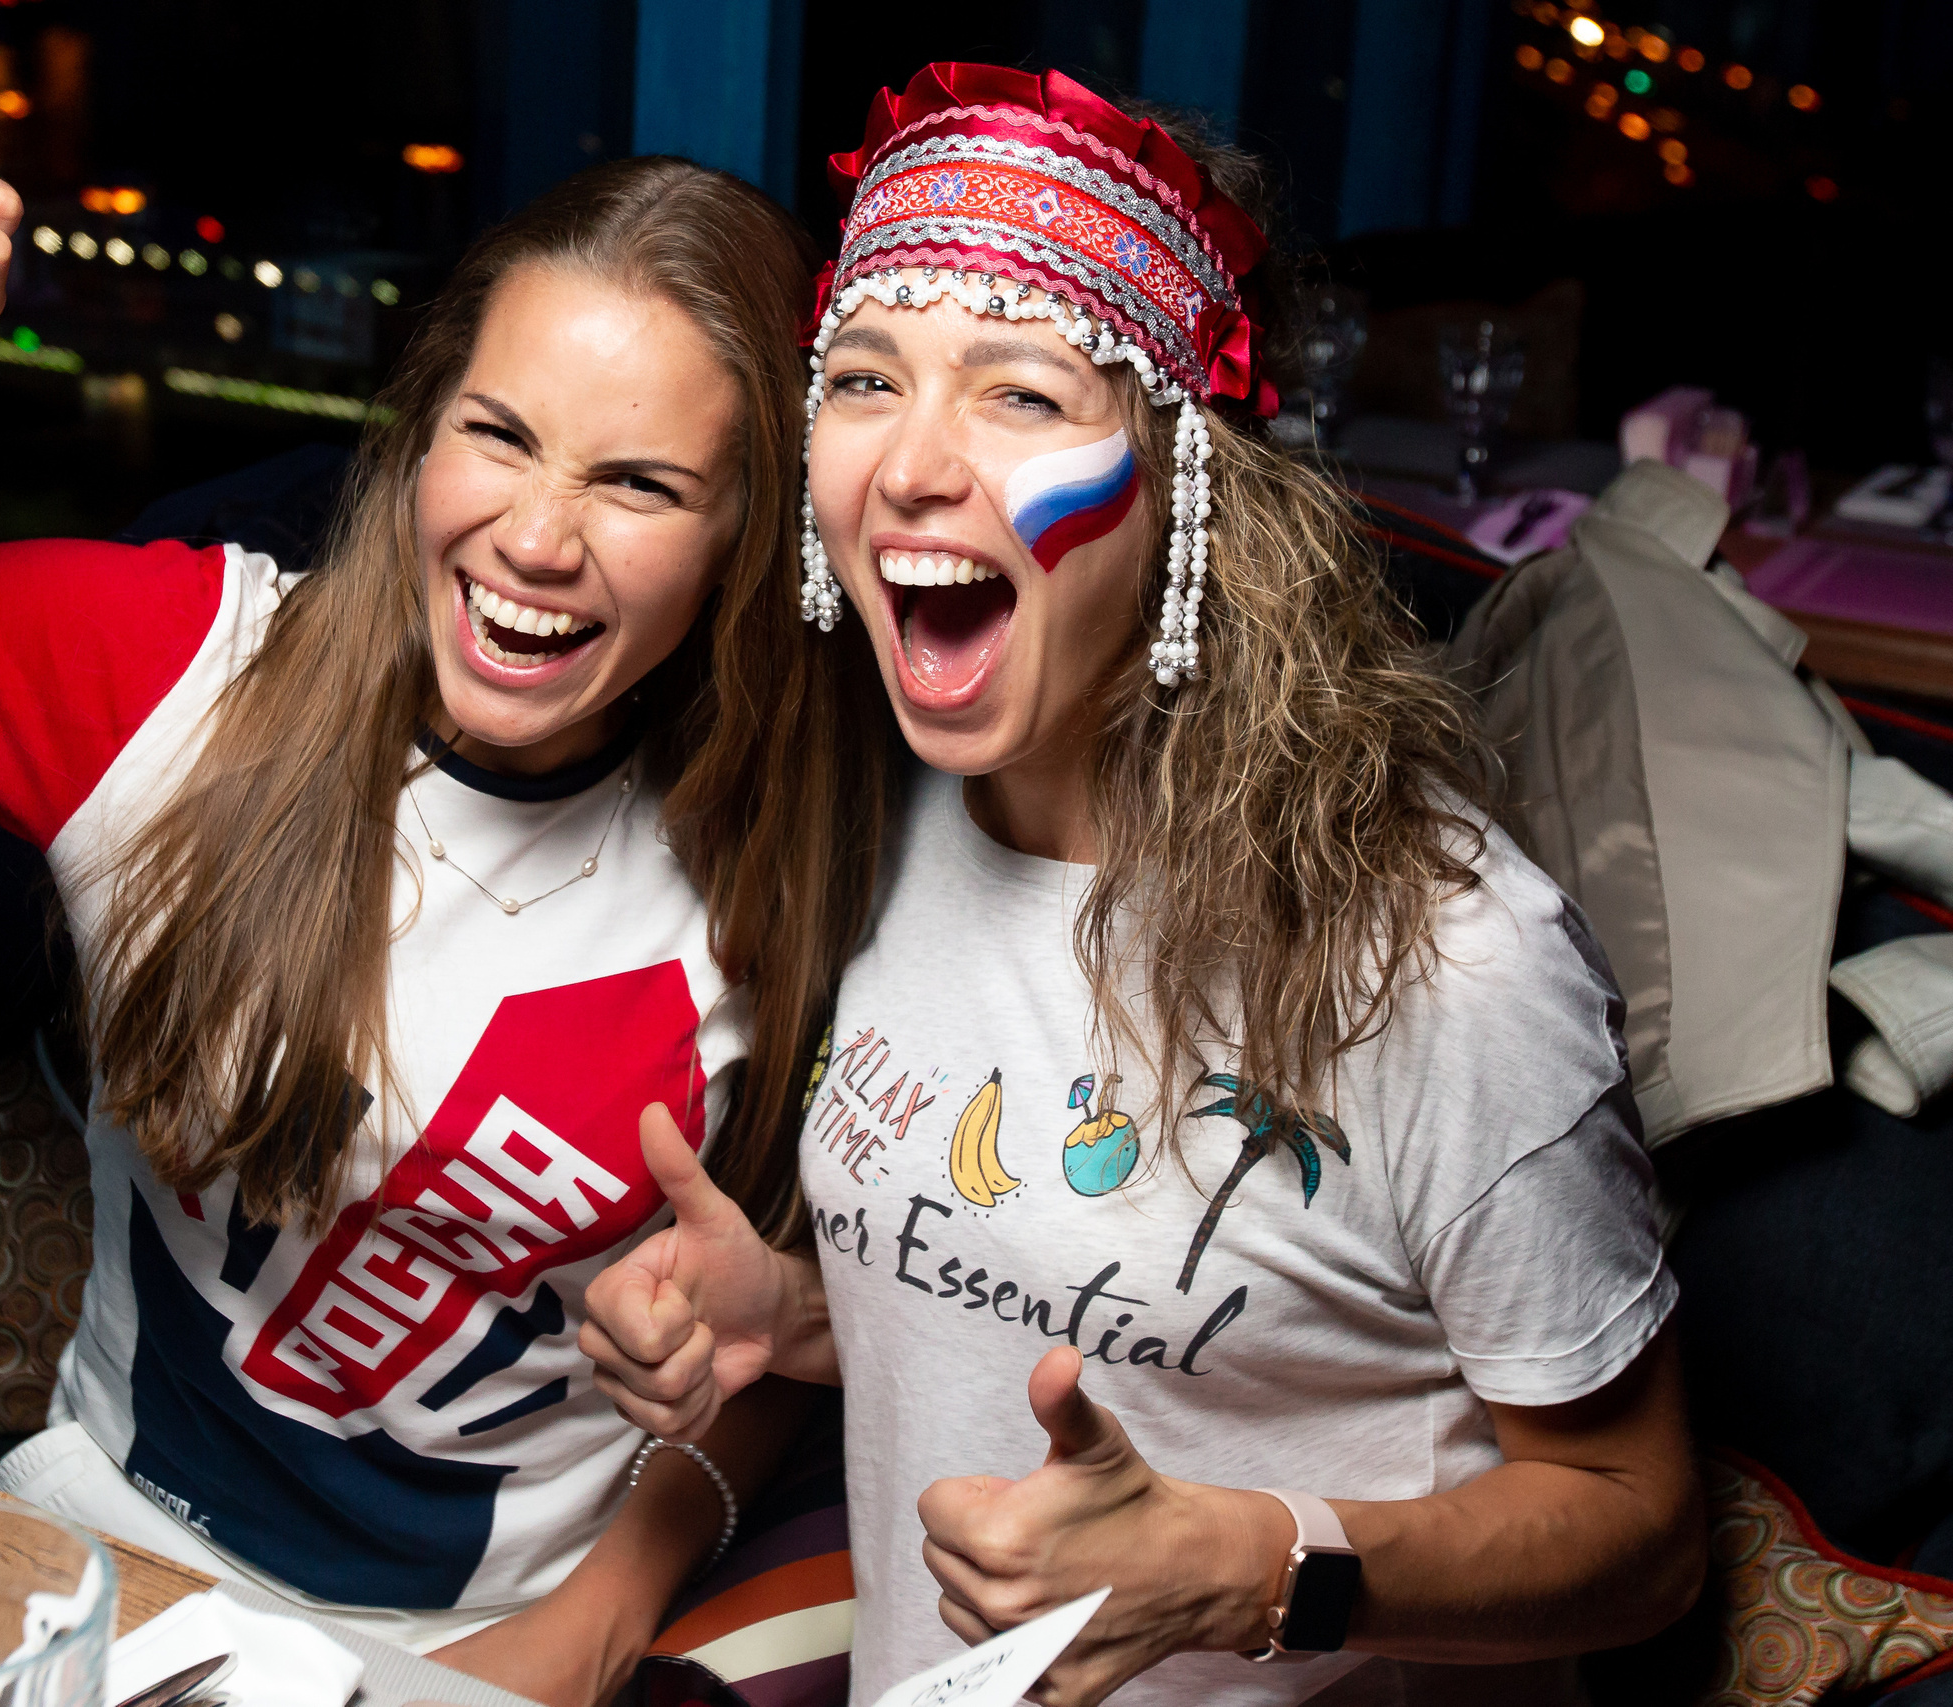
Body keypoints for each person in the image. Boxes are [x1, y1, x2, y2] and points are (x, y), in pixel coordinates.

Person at [0, 140, 896, 1704]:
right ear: (414, 440)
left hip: (483, 1655)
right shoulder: (170, 680)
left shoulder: (807, 833)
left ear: (747, 533)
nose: (538, 537)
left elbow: (779, 1321)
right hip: (100, 1570)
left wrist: (594, 1628)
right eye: (500, 436)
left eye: (640, 484)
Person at [580, 64, 1704, 1707]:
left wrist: (1254, 1571)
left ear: (1190, 491)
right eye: (869, 379)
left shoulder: (1443, 958)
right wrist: (797, 1319)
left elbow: (1643, 1531)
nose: (908, 467)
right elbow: (1049, 1316)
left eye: (1023, 395)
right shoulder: (889, 830)